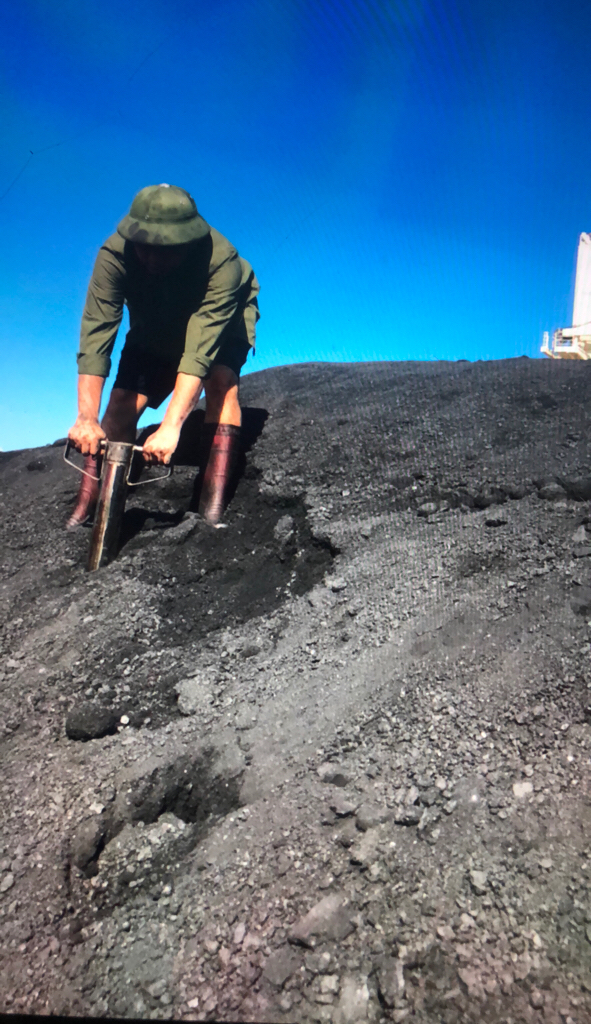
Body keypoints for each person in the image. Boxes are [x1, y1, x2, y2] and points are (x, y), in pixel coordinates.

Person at [66, 183, 260, 528]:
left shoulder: (222, 261)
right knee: (122, 401)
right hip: (157, 321)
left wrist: (171, 427)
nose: (153, 259)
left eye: (167, 250)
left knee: (220, 381)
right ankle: (92, 503)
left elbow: (199, 352)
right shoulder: (114, 256)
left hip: (224, 318)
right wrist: (85, 417)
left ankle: (210, 509)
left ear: (189, 241)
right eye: (145, 249)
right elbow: (97, 334)